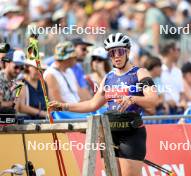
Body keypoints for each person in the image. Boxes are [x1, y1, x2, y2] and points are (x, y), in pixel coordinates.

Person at [49, 33, 159, 176]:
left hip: (131, 134)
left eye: (120, 51)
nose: (116, 56)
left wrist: (132, 99)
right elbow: (92, 104)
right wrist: (63, 106)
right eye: (112, 53)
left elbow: (153, 100)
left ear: (128, 52)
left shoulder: (140, 73)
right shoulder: (108, 78)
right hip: (109, 134)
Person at [160, 40, 186, 114]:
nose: (179, 53)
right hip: (165, 111)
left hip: (178, 110)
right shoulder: (158, 71)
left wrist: (183, 101)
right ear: (171, 51)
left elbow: (181, 93)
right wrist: (165, 101)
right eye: (178, 50)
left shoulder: (178, 71)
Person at [0, 49, 25, 123]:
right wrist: (12, 104)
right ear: (7, 63)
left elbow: (15, 108)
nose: (18, 71)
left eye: (21, 68)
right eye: (16, 67)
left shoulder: (17, 81)